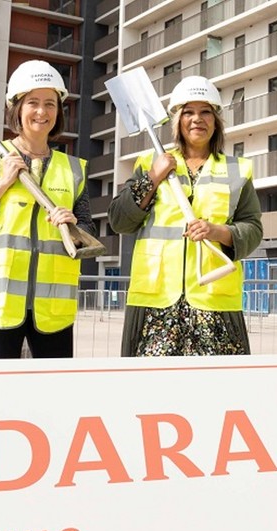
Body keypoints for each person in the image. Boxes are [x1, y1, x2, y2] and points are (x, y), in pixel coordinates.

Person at [0, 60, 94, 359]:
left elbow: (88, 237)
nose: (42, 112)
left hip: (53, 307)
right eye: (33, 103)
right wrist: (1, 185)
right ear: (17, 107)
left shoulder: (73, 169)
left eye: (50, 104)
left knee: (55, 397)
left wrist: (74, 225)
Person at [109, 75, 262, 357]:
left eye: (206, 112)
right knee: (156, 394)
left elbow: (252, 229)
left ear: (216, 121)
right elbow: (120, 220)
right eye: (188, 112)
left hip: (213, 305)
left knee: (213, 392)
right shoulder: (149, 164)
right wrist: (153, 178)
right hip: (157, 306)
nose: (197, 119)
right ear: (177, 120)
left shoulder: (236, 170)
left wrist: (216, 231)